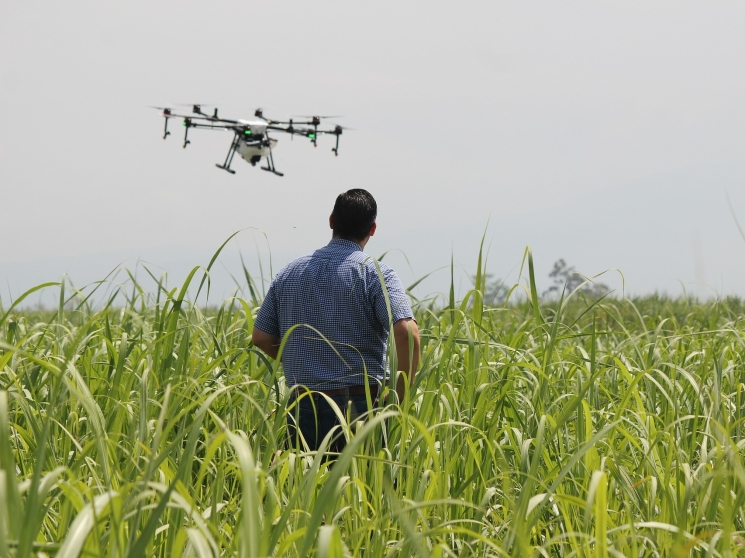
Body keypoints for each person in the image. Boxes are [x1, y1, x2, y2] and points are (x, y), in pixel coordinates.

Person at [252, 189, 420, 454]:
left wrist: (304, 358)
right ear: (373, 229)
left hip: (303, 403)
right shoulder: (377, 274)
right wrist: (397, 396)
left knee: (303, 490)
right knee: (361, 489)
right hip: (360, 405)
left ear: (331, 221)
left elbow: (261, 337)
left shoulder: (289, 272)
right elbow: (407, 332)